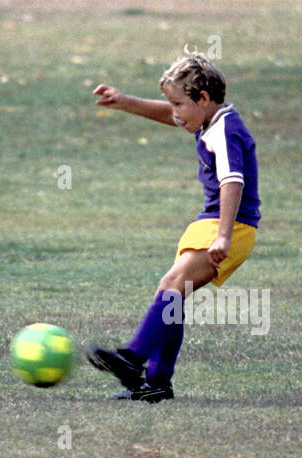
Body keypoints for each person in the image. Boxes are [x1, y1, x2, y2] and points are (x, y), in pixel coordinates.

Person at [85, 52, 260, 402]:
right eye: (173, 104)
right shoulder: (209, 119)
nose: (175, 113)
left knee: (174, 286)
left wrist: (224, 235)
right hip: (210, 221)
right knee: (169, 295)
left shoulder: (225, 131)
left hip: (232, 224)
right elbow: (172, 116)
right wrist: (125, 102)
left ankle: (133, 359)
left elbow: (233, 182)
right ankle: (158, 382)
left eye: (179, 104)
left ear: (204, 99)